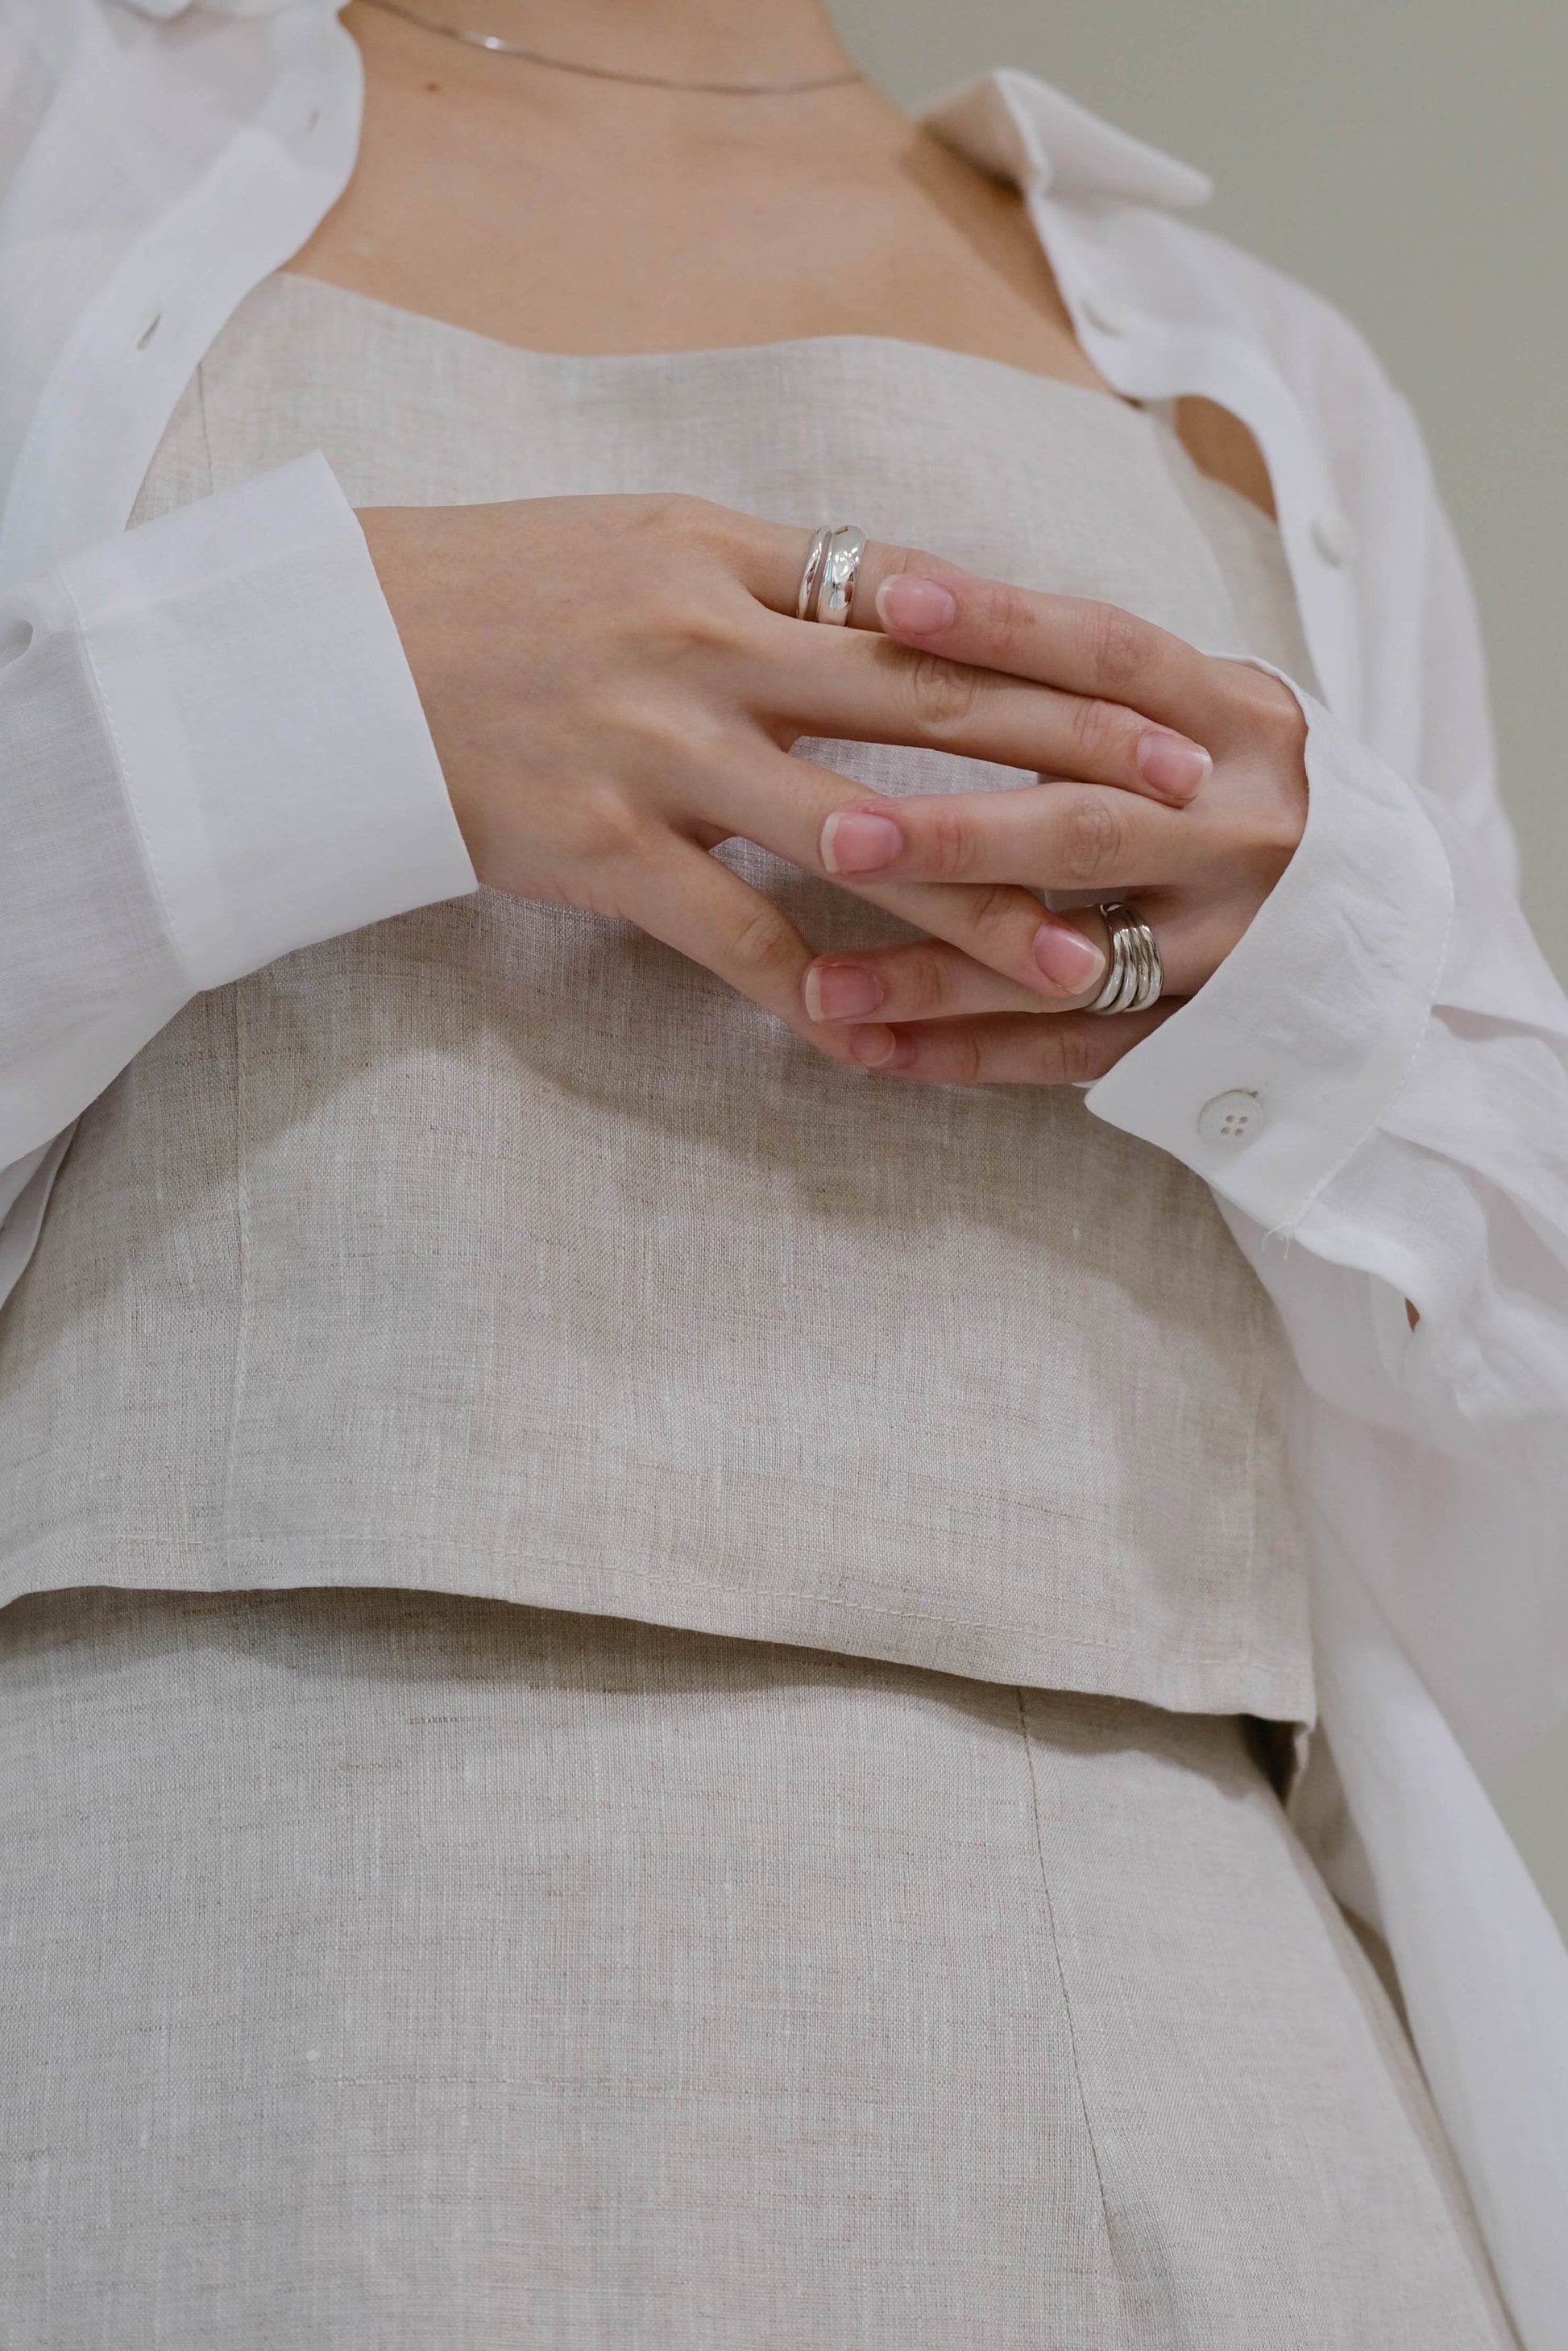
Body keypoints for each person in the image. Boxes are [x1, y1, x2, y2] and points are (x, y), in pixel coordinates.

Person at [1, 0, 1564, 2342]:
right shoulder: (39, 144)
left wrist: (1325, 993)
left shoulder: (1262, 385)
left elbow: (1504, 1553)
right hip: (206, 1995)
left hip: (1178, 2067)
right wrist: (301, 688)